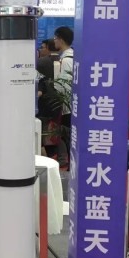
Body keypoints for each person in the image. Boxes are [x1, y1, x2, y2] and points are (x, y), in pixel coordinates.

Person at [54, 26, 74, 165]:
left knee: (68, 137)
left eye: (55, 38)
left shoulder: (65, 60)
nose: (54, 41)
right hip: (74, 105)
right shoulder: (74, 57)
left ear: (61, 39)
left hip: (68, 106)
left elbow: (63, 86)